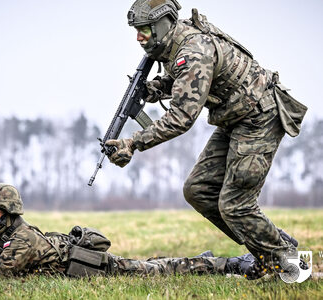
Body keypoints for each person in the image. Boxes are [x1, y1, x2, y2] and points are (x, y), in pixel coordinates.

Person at [105, 0, 307, 277]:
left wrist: (132, 142)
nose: (139, 37)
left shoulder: (191, 50)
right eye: (137, 30)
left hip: (260, 117)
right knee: (198, 190)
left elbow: (181, 119)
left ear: (162, 26)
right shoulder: (175, 45)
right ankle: (273, 243)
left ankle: (294, 270)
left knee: (235, 204)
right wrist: (156, 88)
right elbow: (188, 80)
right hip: (234, 118)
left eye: (144, 30)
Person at [0, 183, 265, 279]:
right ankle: (200, 261)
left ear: (9, 212)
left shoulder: (20, 239)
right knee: (154, 264)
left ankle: (230, 264)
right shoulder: (9, 236)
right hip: (80, 263)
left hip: (93, 268)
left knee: (156, 270)